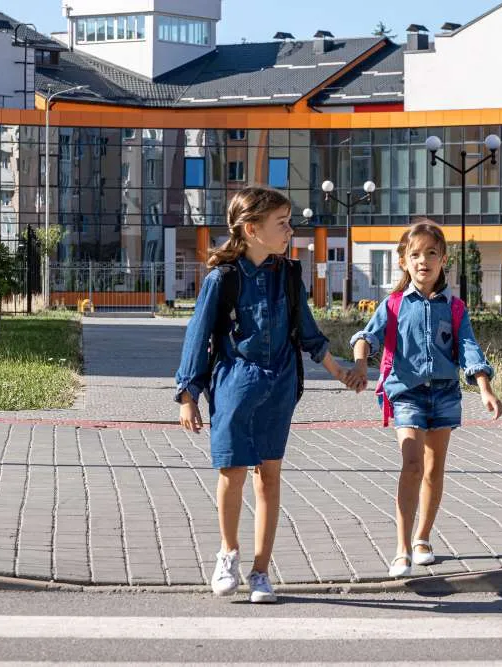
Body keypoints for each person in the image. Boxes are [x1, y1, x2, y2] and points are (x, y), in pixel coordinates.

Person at [175, 186, 358, 603]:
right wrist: (188, 395)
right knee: (232, 473)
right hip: (234, 388)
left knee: (269, 476)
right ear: (252, 229)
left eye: (289, 222)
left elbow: (308, 332)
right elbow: (197, 336)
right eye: (282, 223)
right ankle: (228, 555)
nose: (290, 231)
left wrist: (339, 372)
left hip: (279, 387)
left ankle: (260, 572)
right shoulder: (223, 278)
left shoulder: (288, 275)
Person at [348, 219, 502, 578]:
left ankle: (422, 539)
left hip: (445, 394)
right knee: (412, 465)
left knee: (433, 470)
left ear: (443, 260)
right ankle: (401, 549)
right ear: (404, 261)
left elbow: (468, 348)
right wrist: (359, 364)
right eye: (415, 254)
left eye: (431, 253)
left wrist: (485, 388)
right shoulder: (393, 304)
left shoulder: (455, 307)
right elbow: (367, 337)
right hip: (406, 394)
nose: (423, 261)